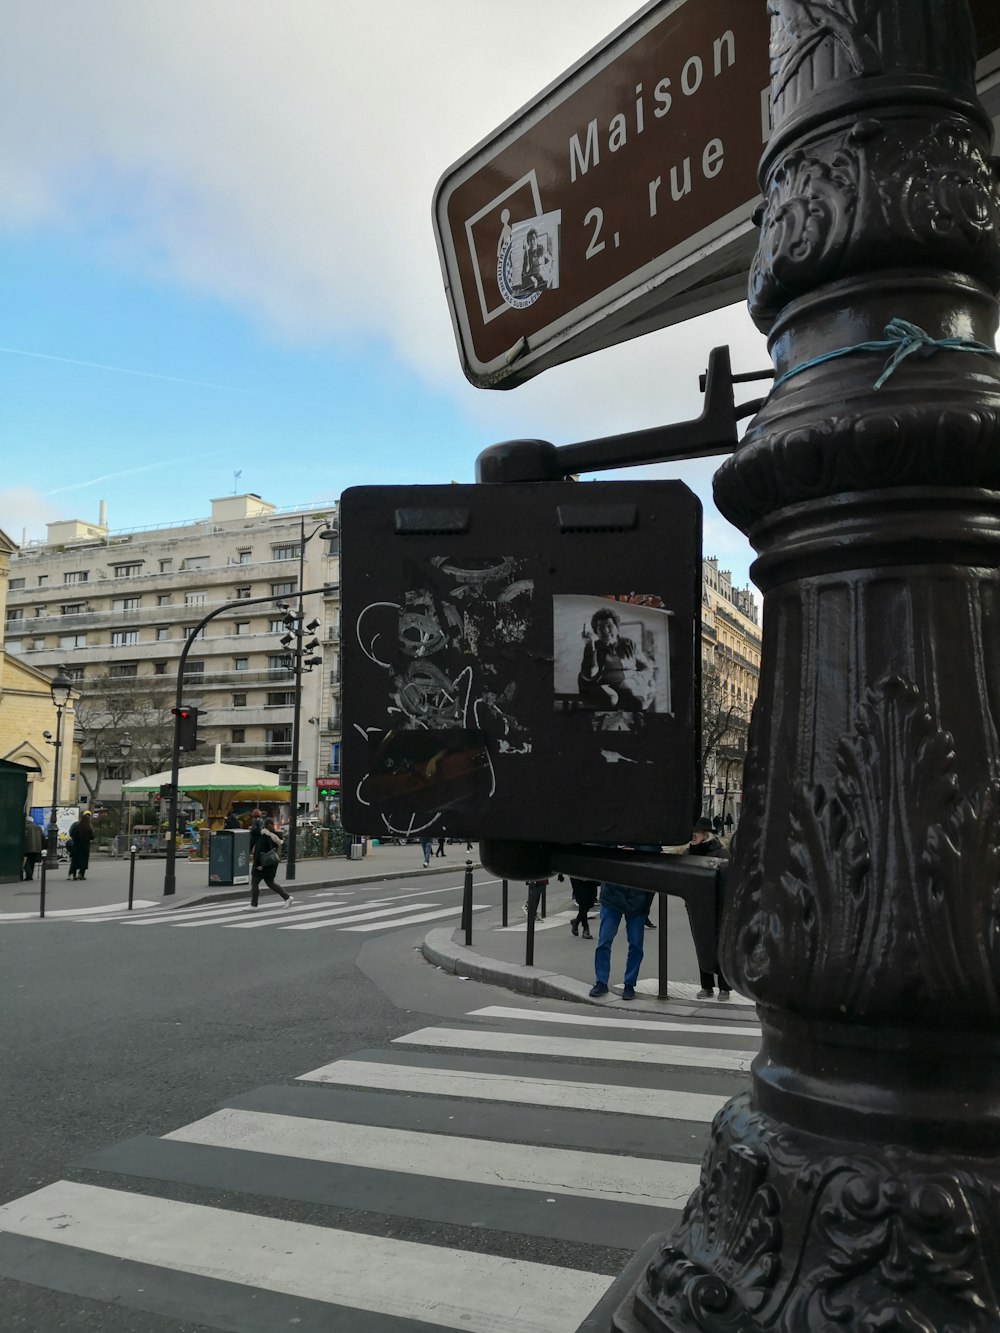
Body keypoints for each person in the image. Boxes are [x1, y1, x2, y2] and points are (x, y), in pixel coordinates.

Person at [578, 606, 653, 711]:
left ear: (617, 628)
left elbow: (647, 669)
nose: (605, 630)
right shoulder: (593, 647)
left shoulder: (629, 644)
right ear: (596, 632)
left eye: (609, 626)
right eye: (600, 627)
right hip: (604, 687)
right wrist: (589, 646)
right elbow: (589, 675)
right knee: (609, 699)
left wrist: (631, 681)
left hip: (628, 686)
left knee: (639, 704)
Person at [688, 817, 731, 1000]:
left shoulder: (721, 853)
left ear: (706, 834)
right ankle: (706, 986)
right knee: (701, 944)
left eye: (696, 833)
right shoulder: (690, 853)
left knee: (720, 945)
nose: (693, 836)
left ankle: (724, 987)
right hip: (697, 906)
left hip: (718, 906)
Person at [589, 881, 649, 1000]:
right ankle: (603, 982)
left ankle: (627, 983)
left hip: (633, 897)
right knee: (605, 941)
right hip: (617, 895)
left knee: (634, 944)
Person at [248, 817, 293, 909]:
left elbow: (259, 852)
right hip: (270, 864)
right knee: (270, 883)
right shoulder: (274, 836)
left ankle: (253, 905)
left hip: (262, 865)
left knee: (255, 883)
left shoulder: (264, 837)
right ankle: (287, 897)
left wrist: (258, 865)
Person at [67, 810, 95, 880]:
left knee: (75, 860)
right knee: (83, 861)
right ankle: (81, 874)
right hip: (85, 847)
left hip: (76, 846)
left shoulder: (76, 825)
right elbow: (92, 836)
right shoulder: (89, 827)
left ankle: (72, 875)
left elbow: (72, 834)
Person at [22, 816, 44, 881]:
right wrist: (42, 847)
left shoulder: (25, 827)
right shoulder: (38, 828)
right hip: (37, 848)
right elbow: (43, 838)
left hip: (27, 847)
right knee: (32, 862)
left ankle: (29, 876)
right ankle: (30, 876)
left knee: (26, 863)